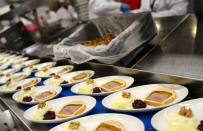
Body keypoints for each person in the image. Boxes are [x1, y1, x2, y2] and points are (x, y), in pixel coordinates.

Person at [88, 0, 192, 19]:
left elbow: (179, 12)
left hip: (174, 26)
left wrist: (150, 16)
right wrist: (132, 13)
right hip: (154, 27)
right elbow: (143, 10)